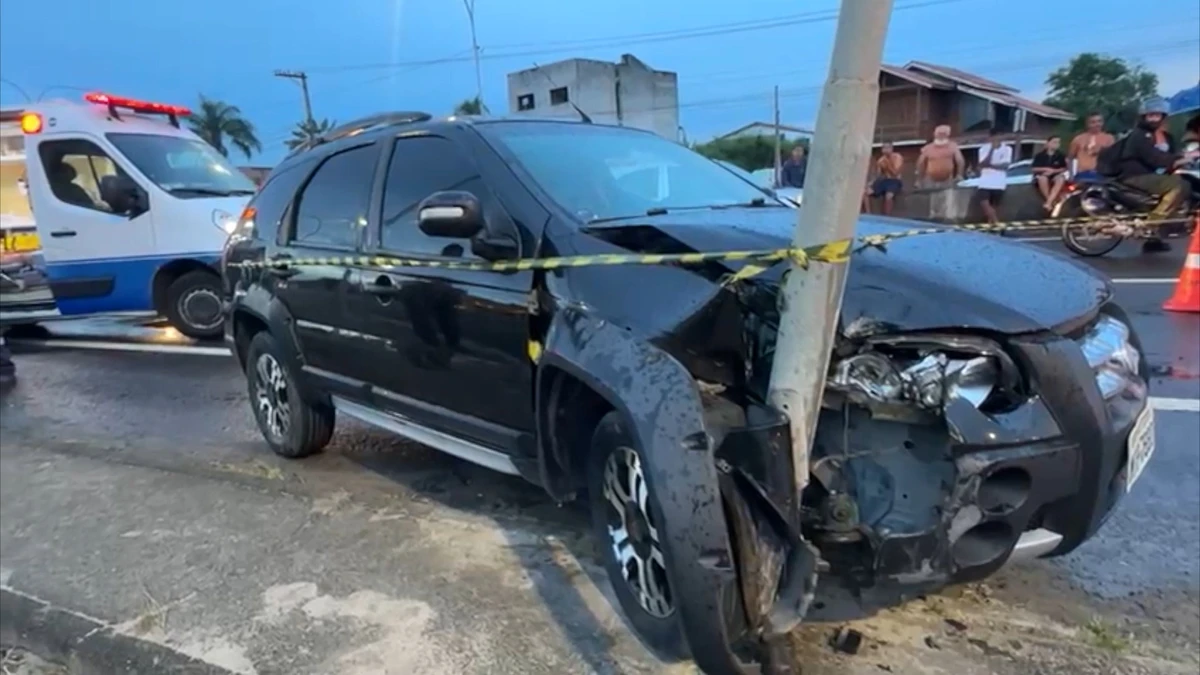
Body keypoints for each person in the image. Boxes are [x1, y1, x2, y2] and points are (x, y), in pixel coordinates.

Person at [1106, 97, 1200, 252]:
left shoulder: (1167, 137)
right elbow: (1153, 157)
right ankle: (1151, 224)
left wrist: (1185, 158)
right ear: (1144, 117)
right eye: (1151, 115)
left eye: (1157, 115)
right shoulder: (1139, 135)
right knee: (1180, 186)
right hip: (1135, 174)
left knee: (1180, 182)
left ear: (1163, 116)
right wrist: (1178, 160)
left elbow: (1174, 154)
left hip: (1154, 174)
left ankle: (1154, 239)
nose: (1154, 118)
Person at [975, 128, 1012, 225]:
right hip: (985, 181)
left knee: (994, 206)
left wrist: (991, 166)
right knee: (984, 203)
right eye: (996, 136)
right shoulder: (983, 149)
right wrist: (991, 150)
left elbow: (1005, 166)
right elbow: (982, 164)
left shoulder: (1007, 149)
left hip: (999, 182)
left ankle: (991, 224)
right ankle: (996, 223)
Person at [1068, 113, 1115, 181]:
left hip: (1102, 174)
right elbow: (1070, 158)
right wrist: (1071, 175)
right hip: (1083, 174)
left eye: (1099, 121)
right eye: (1093, 122)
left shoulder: (1109, 138)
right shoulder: (1078, 139)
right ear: (1087, 124)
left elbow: (1113, 157)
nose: (1097, 124)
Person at [1031, 135, 1069, 211]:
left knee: (1061, 179)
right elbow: (1034, 168)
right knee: (1042, 179)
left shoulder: (1061, 155)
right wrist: (1045, 169)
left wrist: (1053, 171)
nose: (1056, 144)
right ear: (1048, 143)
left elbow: (1064, 168)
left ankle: (1048, 202)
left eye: (1058, 143)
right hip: (1042, 175)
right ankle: (1050, 200)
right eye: (1054, 142)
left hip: (1055, 175)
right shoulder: (1039, 155)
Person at [868, 143, 904, 215]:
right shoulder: (881, 160)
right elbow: (879, 174)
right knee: (866, 192)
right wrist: (872, 182)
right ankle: (868, 213)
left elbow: (896, 173)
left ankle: (886, 215)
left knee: (889, 196)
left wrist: (887, 164)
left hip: (895, 180)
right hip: (884, 180)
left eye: (888, 148)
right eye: (884, 148)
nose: (886, 150)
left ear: (891, 149)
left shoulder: (897, 157)